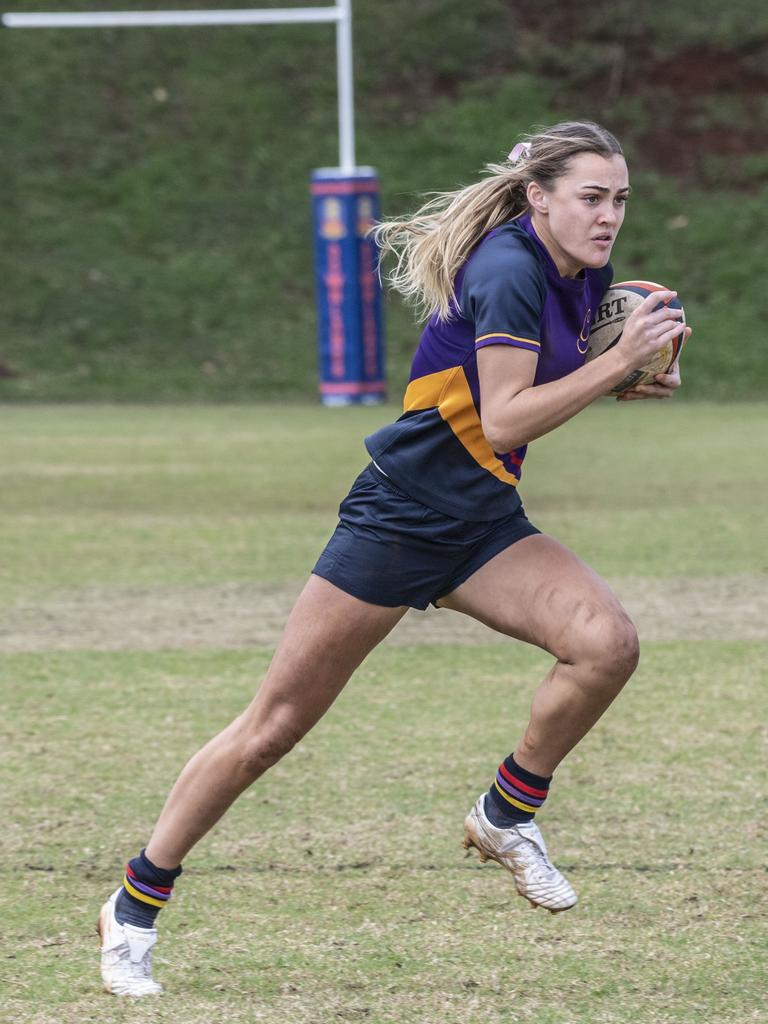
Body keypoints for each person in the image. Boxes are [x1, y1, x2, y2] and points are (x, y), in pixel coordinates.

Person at [98, 120, 691, 996]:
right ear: (539, 198)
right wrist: (615, 370)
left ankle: (505, 814)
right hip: (400, 518)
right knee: (271, 729)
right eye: (591, 197)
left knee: (606, 644)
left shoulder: (582, 272)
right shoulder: (507, 269)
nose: (609, 217)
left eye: (620, 200)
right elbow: (506, 419)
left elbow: (533, 397)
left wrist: (629, 373)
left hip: (482, 521)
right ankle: (133, 907)